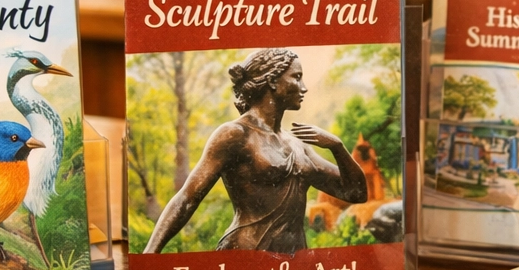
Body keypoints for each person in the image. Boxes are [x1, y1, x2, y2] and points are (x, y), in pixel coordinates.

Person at [144, 48, 368, 254]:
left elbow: (356, 193)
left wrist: (337, 147)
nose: (304, 87)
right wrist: (149, 255)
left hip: (293, 263)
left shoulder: (299, 146)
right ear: (272, 80)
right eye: (296, 77)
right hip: (243, 257)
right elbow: (186, 199)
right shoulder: (235, 134)